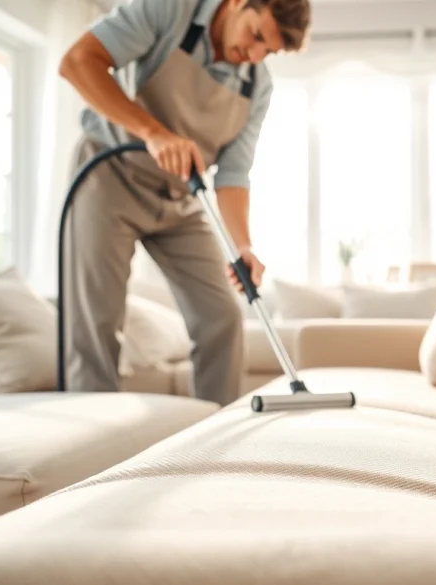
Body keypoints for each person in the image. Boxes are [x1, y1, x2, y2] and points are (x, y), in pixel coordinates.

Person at [58, 0, 310, 406]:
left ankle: (216, 430)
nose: (255, 55)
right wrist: (153, 132)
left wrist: (242, 246)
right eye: (256, 35)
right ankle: (94, 431)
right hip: (110, 175)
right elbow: (78, 62)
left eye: (269, 51)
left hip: (181, 196)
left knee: (222, 316)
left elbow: (232, 175)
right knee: (97, 321)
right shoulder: (170, 9)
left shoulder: (257, 86)